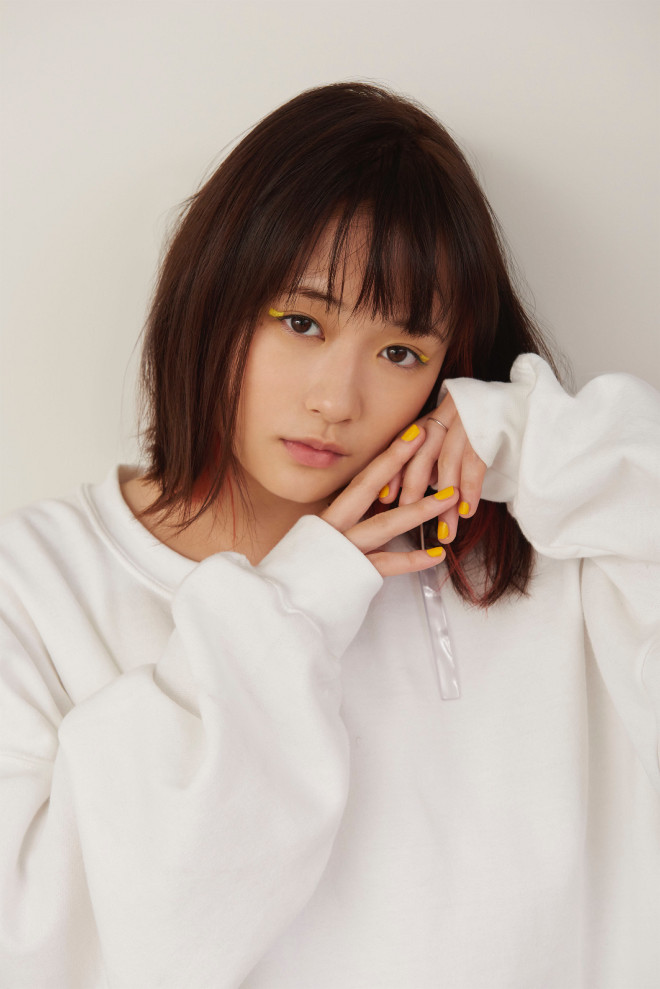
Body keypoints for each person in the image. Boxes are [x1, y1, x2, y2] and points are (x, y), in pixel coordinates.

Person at [1, 82, 658, 989]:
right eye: (301, 322)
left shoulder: (534, 556)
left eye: (400, 352)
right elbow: (44, 945)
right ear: (214, 296)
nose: (336, 399)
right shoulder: (38, 584)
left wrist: (535, 440)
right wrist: (294, 607)